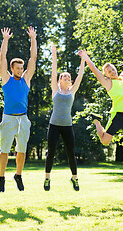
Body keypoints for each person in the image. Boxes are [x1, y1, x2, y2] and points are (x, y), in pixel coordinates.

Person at [0, 27, 37, 192]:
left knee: (22, 151)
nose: (21, 70)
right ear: (12, 69)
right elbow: (2, 59)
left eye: (22, 68)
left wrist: (33, 39)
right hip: (8, 119)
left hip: (23, 119)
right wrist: (5, 40)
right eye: (18, 68)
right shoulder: (7, 79)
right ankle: (1, 178)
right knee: (4, 150)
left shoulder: (26, 80)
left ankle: (18, 175)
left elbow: (33, 59)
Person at [78, 37, 123, 146]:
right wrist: (87, 59)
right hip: (117, 115)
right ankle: (96, 120)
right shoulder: (108, 83)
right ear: (107, 75)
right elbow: (96, 71)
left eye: (113, 69)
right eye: (109, 72)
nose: (112, 72)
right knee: (105, 141)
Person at [44, 46, 85, 192]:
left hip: (67, 126)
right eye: (64, 77)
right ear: (60, 80)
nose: (66, 78)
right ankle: (47, 178)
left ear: (70, 81)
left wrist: (83, 59)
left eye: (68, 77)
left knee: (70, 153)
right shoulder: (55, 89)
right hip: (54, 125)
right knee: (51, 152)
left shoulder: (72, 92)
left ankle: (74, 179)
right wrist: (54, 54)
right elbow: (53, 71)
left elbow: (80, 75)